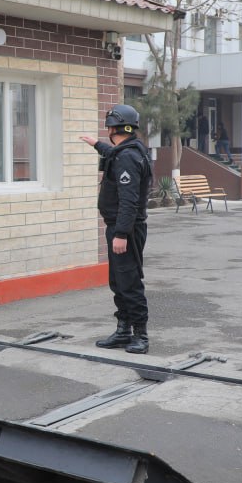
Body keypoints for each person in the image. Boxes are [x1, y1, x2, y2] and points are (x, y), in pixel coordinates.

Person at [79, 104, 152, 354]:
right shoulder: (128, 151)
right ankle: (123, 331)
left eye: (109, 127)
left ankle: (140, 336)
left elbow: (129, 200)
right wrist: (96, 145)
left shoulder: (127, 157)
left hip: (126, 230)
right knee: (118, 282)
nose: (107, 130)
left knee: (129, 283)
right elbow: (113, 153)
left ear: (114, 128)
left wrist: (121, 234)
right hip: (121, 227)